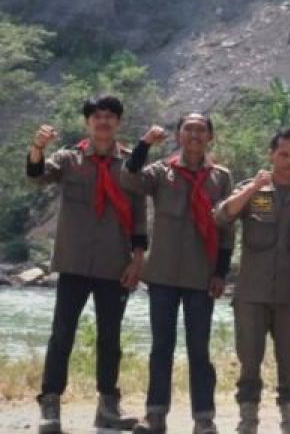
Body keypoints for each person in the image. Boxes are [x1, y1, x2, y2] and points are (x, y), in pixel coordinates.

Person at [26, 95, 147, 434]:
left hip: (114, 263)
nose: (103, 122)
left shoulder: (130, 165)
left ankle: (108, 406)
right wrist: (37, 147)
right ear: (87, 123)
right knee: (62, 334)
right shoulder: (68, 159)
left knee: (111, 337)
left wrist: (138, 260)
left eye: (110, 117)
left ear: (118, 123)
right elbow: (37, 175)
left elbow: (138, 217)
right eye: (96, 116)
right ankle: (50, 405)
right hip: (74, 262)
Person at [126, 113, 235, 434]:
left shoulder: (221, 178)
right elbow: (129, 179)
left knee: (199, 350)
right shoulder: (161, 173)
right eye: (188, 129)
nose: (195, 135)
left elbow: (227, 229)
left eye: (202, 130)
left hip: (201, 277)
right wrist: (144, 144)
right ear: (178, 135)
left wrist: (220, 273)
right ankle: (155, 415)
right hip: (162, 276)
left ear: (210, 137)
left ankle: (204, 418)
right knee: (161, 347)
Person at [214, 127, 290, 434]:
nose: (288, 161)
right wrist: (252, 188)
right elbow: (222, 216)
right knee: (249, 364)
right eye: (282, 154)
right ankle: (248, 423)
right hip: (251, 296)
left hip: (289, 298)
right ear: (271, 154)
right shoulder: (253, 190)